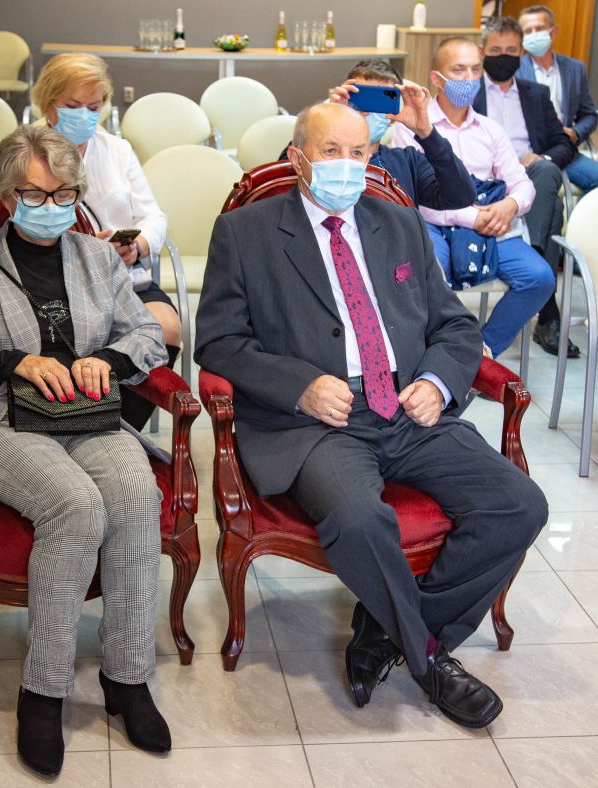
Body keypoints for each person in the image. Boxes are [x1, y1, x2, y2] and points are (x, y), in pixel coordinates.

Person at [195, 101, 548, 729]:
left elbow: (454, 326)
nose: (347, 165)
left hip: (408, 407)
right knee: (359, 519)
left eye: (358, 153)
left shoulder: (400, 223)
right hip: (315, 423)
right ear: (299, 159)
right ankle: (430, 661)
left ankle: (384, 631)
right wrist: (300, 386)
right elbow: (219, 343)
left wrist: (437, 382)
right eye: (331, 152)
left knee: (520, 504)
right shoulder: (246, 232)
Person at [0, 125, 171, 777]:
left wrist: (108, 360)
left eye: (64, 194)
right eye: (35, 194)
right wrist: (12, 362)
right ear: (8, 195)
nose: (51, 206)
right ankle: (44, 691)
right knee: (75, 505)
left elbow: (147, 336)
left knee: (137, 496)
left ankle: (127, 677)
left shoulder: (99, 259)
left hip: (87, 412)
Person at [32, 52, 182, 427]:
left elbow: (153, 217)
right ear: (48, 103)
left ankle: (120, 427)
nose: (84, 116)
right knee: (80, 336)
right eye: (72, 106)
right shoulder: (25, 151)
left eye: (93, 107)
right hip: (53, 280)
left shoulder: (117, 150)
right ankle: (78, 422)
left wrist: (137, 245)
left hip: (121, 277)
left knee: (166, 327)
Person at [391, 37, 554, 359]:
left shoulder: (490, 129)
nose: (469, 78)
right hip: (435, 223)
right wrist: (472, 217)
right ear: (437, 78)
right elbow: (412, 195)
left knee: (539, 278)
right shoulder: (411, 125)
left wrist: (511, 205)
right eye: (458, 70)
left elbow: (521, 182)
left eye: (475, 70)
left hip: (489, 220)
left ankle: (477, 356)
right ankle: (431, 356)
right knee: (426, 279)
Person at [473, 16, 578, 357]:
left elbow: (563, 144)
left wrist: (540, 156)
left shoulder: (536, 94)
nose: (503, 57)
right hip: (483, 184)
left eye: (510, 50)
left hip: (529, 178)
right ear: (482, 52)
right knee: (554, 210)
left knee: (546, 171)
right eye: (495, 50)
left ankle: (530, 254)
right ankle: (547, 312)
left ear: (521, 53)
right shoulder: (468, 92)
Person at [279, 60, 476, 211]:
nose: (369, 112)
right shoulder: (320, 157)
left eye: (380, 101)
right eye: (362, 99)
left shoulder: (408, 162)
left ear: (391, 117)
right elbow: (277, 183)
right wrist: (328, 120)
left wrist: (426, 132)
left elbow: (461, 196)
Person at [518, 4, 598, 194]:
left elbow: (589, 115)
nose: (534, 35)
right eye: (528, 31)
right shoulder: (514, 71)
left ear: (553, 31)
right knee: (541, 193)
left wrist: (575, 133)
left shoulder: (575, 68)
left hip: (565, 149)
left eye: (539, 29)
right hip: (529, 153)